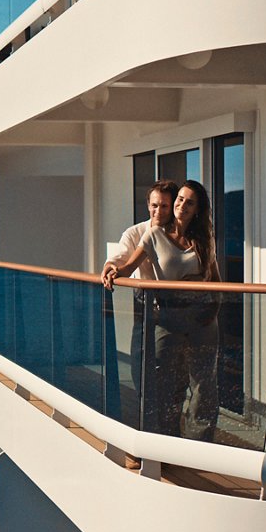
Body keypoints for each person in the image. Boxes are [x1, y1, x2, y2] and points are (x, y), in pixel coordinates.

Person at [103, 180, 220, 441]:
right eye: (179, 199)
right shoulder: (153, 234)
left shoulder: (203, 238)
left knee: (204, 385)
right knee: (166, 384)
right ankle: (166, 444)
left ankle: (200, 447)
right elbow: (126, 266)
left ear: (198, 208)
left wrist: (214, 307)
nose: (182, 205)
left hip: (202, 318)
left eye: (189, 202)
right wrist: (111, 269)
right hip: (168, 317)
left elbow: (214, 278)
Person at [101, 179, 178, 418]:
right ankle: (149, 421)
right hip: (144, 305)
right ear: (148, 205)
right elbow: (120, 258)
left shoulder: (180, 234)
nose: (158, 211)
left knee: (170, 372)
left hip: (176, 308)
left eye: (164, 206)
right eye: (154, 205)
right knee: (140, 367)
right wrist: (110, 266)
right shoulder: (135, 232)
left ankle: (167, 426)